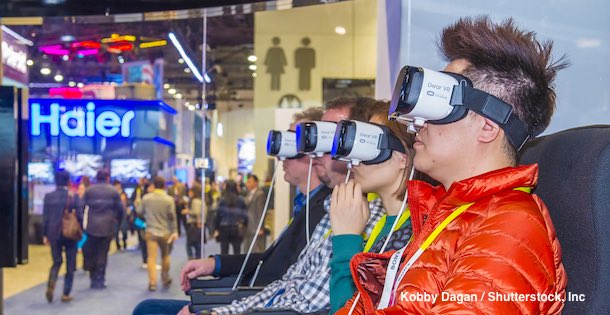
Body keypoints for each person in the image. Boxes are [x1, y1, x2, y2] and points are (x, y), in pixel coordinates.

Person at [337, 16, 568, 314]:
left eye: (438, 106)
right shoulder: (446, 217)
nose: (415, 123)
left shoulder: (511, 226)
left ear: (487, 128)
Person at [132, 107, 334, 315]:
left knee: (148, 309)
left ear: (316, 153)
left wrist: (215, 309)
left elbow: (284, 281)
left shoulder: (323, 210)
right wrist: (215, 264)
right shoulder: (305, 204)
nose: (282, 156)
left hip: (257, 302)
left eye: (295, 143)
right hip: (250, 297)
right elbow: (272, 263)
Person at [208, 97, 386, 314]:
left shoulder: (355, 211)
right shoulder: (329, 206)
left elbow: (312, 300)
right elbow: (290, 282)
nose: (315, 150)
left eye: (334, 136)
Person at [328, 101, 435, 313]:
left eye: (368, 147)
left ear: (403, 157)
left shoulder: (419, 228)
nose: (354, 161)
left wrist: (346, 240)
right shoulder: (381, 223)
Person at [42, 170, 82, 303]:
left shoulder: (48, 196)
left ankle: (51, 284)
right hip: (70, 234)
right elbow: (80, 216)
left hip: (53, 233)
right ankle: (66, 293)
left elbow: (45, 218)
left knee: (57, 261)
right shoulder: (73, 196)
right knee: (70, 263)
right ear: (68, 181)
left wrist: (44, 234)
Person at [82, 170, 124, 289]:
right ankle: (100, 279)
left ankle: (92, 277)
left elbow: (81, 206)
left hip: (92, 227)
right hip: (107, 227)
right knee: (103, 253)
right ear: (107, 178)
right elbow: (120, 210)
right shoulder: (113, 191)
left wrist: (82, 223)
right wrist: (118, 223)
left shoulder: (89, 190)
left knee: (92, 253)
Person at [137, 176, 179, 291]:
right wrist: (175, 231)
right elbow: (172, 217)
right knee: (165, 255)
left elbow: (139, 212)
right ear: (164, 185)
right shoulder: (169, 199)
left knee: (151, 258)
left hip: (151, 231)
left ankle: (152, 282)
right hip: (165, 232)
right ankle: (165, 277)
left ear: (154, 185)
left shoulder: (146, 198)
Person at [213, 180, 248, 255]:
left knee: (224, 251)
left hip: (224, 227)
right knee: (237, 251)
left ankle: (224, 266)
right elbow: (245, 214)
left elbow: (218, 215)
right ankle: (237, 266)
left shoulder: (222, 200)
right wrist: (244, 224)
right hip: (237, 227)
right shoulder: (241, 200)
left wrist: (216, 229)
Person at [243, 174, 266, 253]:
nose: (247, 184)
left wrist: (260, 227)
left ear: (256, 183)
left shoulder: (259, 194)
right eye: (247, 182)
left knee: (256, 250)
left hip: (256, 226)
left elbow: (261, 211)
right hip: (248, 226)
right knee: (247, 249)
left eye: (249, 182)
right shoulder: (248, 194)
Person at [131, 177, 150, 268]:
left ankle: (147, 258)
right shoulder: (136, 190)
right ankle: (144, 258)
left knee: (146, 238)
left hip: (146, 217)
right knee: (140, 234)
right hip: (138, 217)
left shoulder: (147, 192)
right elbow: (131, 200)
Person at [183, 183, 203, 260]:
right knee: (195, 243)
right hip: (195, 224)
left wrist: (187, 211)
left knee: (192, 243)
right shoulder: (198, 200)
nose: (189, 193)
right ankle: (196, 257)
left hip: (194, 224)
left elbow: (196, 212)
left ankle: (193, 258)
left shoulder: (195, 201)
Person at [113, 180, 129, 251]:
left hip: (123, 214)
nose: (117, 187)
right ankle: (118, 246)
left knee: (124, 230)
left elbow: (128, 202)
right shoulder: (112, 194)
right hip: (115, 215)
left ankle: (125, 242)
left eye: (118, 185)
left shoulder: (124, 193)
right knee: (115, 231)